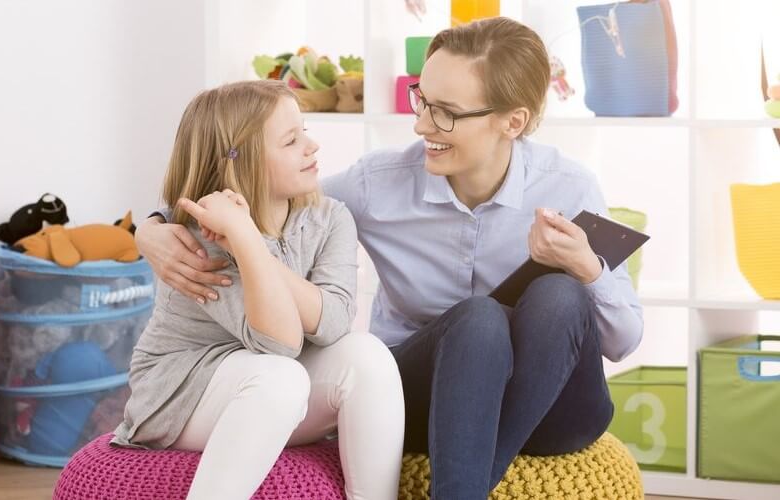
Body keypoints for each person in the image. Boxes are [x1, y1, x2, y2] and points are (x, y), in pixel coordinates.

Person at [136, 17, 644, 499]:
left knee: (559, 292)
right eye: (421, 98)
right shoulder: (380, 184)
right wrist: (153, 229)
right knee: (479, 319)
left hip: (553, 412)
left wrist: (587, 269)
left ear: (513, 122)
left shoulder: (569, 186)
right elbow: (255, 181)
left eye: (444, 111)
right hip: (432, 399)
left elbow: (623, 343)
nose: (422, 124)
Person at [112, 79, 405, 500]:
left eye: (304, 130)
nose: (312, 146)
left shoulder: (329, 217)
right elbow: (280, 343)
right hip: (180, 394)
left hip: (271, 385)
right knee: (280, 377)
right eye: (291, 140)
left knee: (369, 355)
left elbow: (335, 322)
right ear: (241, 161)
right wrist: (245, 240)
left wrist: (248, 239)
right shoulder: (201, 235)